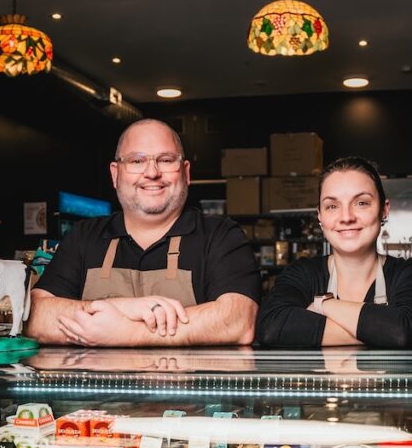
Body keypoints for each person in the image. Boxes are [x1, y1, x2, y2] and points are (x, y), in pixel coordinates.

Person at [26, 118, 260, 346]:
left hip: (188, 375)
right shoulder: (83, 236)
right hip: (94, 375)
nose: (152, 172)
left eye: (165, 160)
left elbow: (238, 321)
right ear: (115, 174)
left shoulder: (220, 235)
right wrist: (121, 307)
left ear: (186, 172)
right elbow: (35, 317)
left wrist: (128, 332)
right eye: (137, 161)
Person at [256, 156, 412, 349]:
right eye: (332, 206)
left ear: (384, 210)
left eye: (361, 203)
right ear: (320, 215)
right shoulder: (302, 274)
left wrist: (323, 305)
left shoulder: (411, 275)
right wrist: (379, 332)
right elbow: (271, 327)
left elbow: (402, 332)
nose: (347, 217)